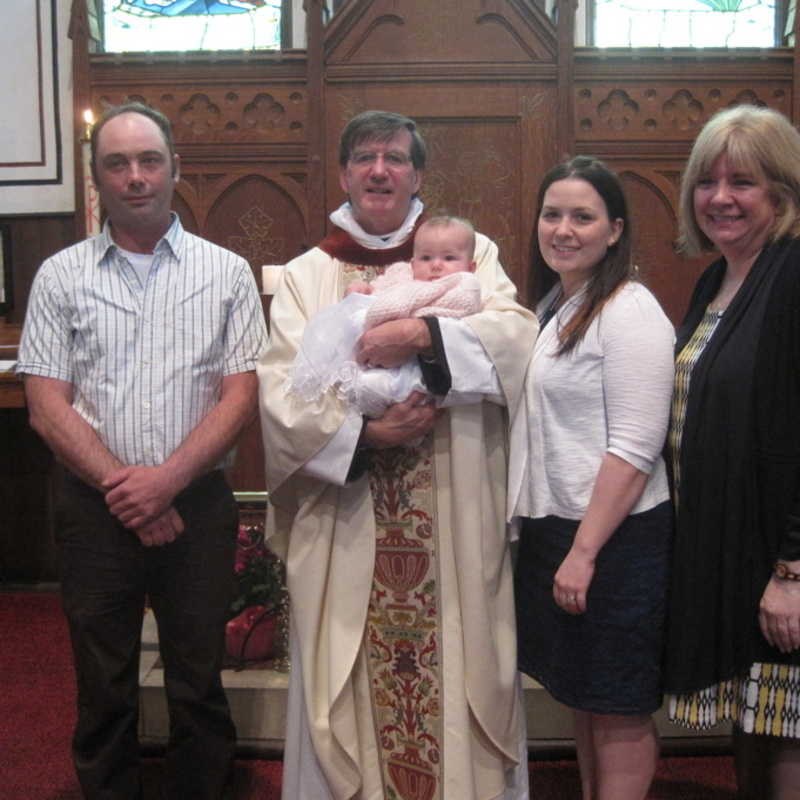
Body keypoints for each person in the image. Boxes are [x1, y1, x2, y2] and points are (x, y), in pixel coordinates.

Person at [258, 110, 538, 800]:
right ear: (345, 172)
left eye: (394, 157)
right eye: (364, 157)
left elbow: (516, 340)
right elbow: (281, 389)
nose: (379, 170)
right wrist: (364, 436)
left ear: (417, 172)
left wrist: (420, 333)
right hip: (349, 517)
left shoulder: (471, 255)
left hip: (454, 521)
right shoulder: (306, 274)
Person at [16, 102, 268, 800]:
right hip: (94, 513)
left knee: (197, 678)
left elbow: (239, 396)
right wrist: (127, 491)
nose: (135, 177)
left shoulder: (226, 273)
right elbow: (46, 402)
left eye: (149, 161)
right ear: (97, 180)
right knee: (103, 680)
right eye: (117, 164)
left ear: (175, 169)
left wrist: (167, 483)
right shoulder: (61, 275)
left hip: (197, 507)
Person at [508, 156, 674, 799]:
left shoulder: (629, 309)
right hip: (562, 526)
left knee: (619, 703)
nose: (563, 229)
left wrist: (584, 552)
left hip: (614, 538)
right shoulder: (558, 304)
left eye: (583, 217)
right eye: (553, 215)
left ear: (615, 230)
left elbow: (634, 447)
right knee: (583, 693)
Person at [663, 105, 800, 798]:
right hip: (732, 552)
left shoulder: (794, 275)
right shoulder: (716, 281)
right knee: (756, 725)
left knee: (787, 731)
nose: (720, 198)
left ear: (782, 191)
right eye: (707, 181)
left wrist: (792, 571)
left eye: (742, 181)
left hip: (780, 559)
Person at [289, 215, 481, 418]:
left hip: (423, 375)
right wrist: (362, 293)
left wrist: (419, 330)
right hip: (374, 367)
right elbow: (380, 292)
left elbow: (491, 329)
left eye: (449, 258)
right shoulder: (402, 275)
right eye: (426, 258)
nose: (436, 265)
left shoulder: (463, 279)